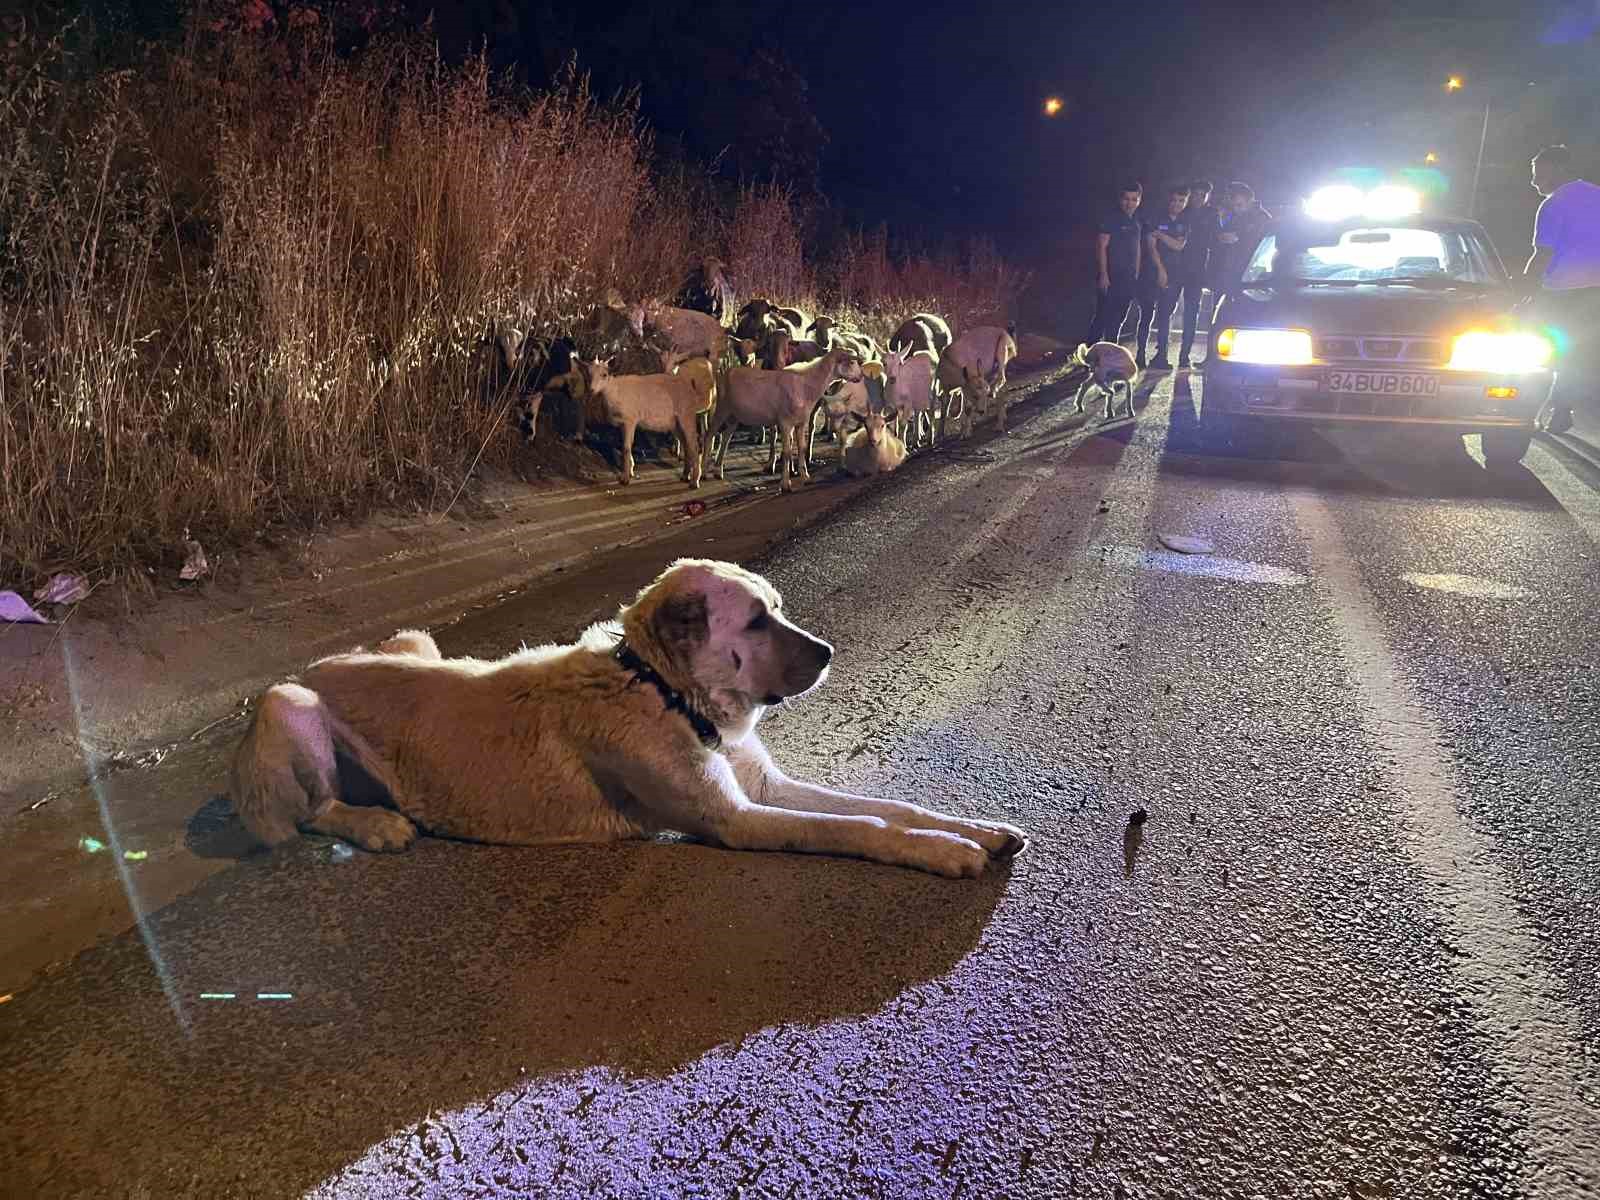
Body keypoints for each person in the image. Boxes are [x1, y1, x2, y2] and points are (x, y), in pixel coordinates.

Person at [1521, 144, 1600, 435]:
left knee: (1541, 352)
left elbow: (1542, 254)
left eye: (1538, 173)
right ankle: (1563, 408)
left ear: (1557, 168)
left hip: (1561, 292)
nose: (1534, 181)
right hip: (1595, 293)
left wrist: (1523, 290)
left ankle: (1528, 412)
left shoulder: (1554, 204)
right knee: (1578, 354)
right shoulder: (1597, 195)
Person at [1136, 183, 1192, 369]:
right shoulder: (1155, 218)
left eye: (1181, 201)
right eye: (1174, 199)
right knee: (1146, 315)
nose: (1177, 203)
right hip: (1151, 273)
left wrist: (1161, 235)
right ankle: (1140, 355)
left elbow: (1179, 246)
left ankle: (1161, 357)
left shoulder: (1185, 222)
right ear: (1169, 199)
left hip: (1175, 276)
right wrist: (1160, 269)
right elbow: (1151, 247)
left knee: (1164, 316)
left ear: (1186, 202)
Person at [1087, 182, 1144, 346]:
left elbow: (1138, 247)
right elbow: (1101, 246)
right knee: (1103, 316)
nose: (1130, 203)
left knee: (1120, 316)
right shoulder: (1111, 218)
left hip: (1129, 277)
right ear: (1120, 199)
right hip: (1111, 275)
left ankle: (1110, 352)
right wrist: (1104, 274)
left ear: (1139, 200)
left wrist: (1137, 272)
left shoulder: (1137, 220)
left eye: (1134, 199)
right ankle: (1089, 354)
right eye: (1126, 199)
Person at [1171, 179, 1219, 367]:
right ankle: (1161, 353)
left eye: (1202, 195)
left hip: (1198, 270)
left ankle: (1184, 355)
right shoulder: (1183, 212)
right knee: (1168, 310)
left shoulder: (1212, 214)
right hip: (1177, 267)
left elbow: (1216, 242)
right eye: (1196, 194)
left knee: (1192, 313)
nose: (1198, 198)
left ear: (1208, 196)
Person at [1210, 182, 1272, 315]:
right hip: (1230, 271)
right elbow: (1219, 235)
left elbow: (1261, 244)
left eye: (1239, 205)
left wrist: (1238, 238)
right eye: (1234, 205)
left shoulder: (1262, 218)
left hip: (1250, 275)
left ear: (1250, 200)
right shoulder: (1234, 216)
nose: (1237, 209)